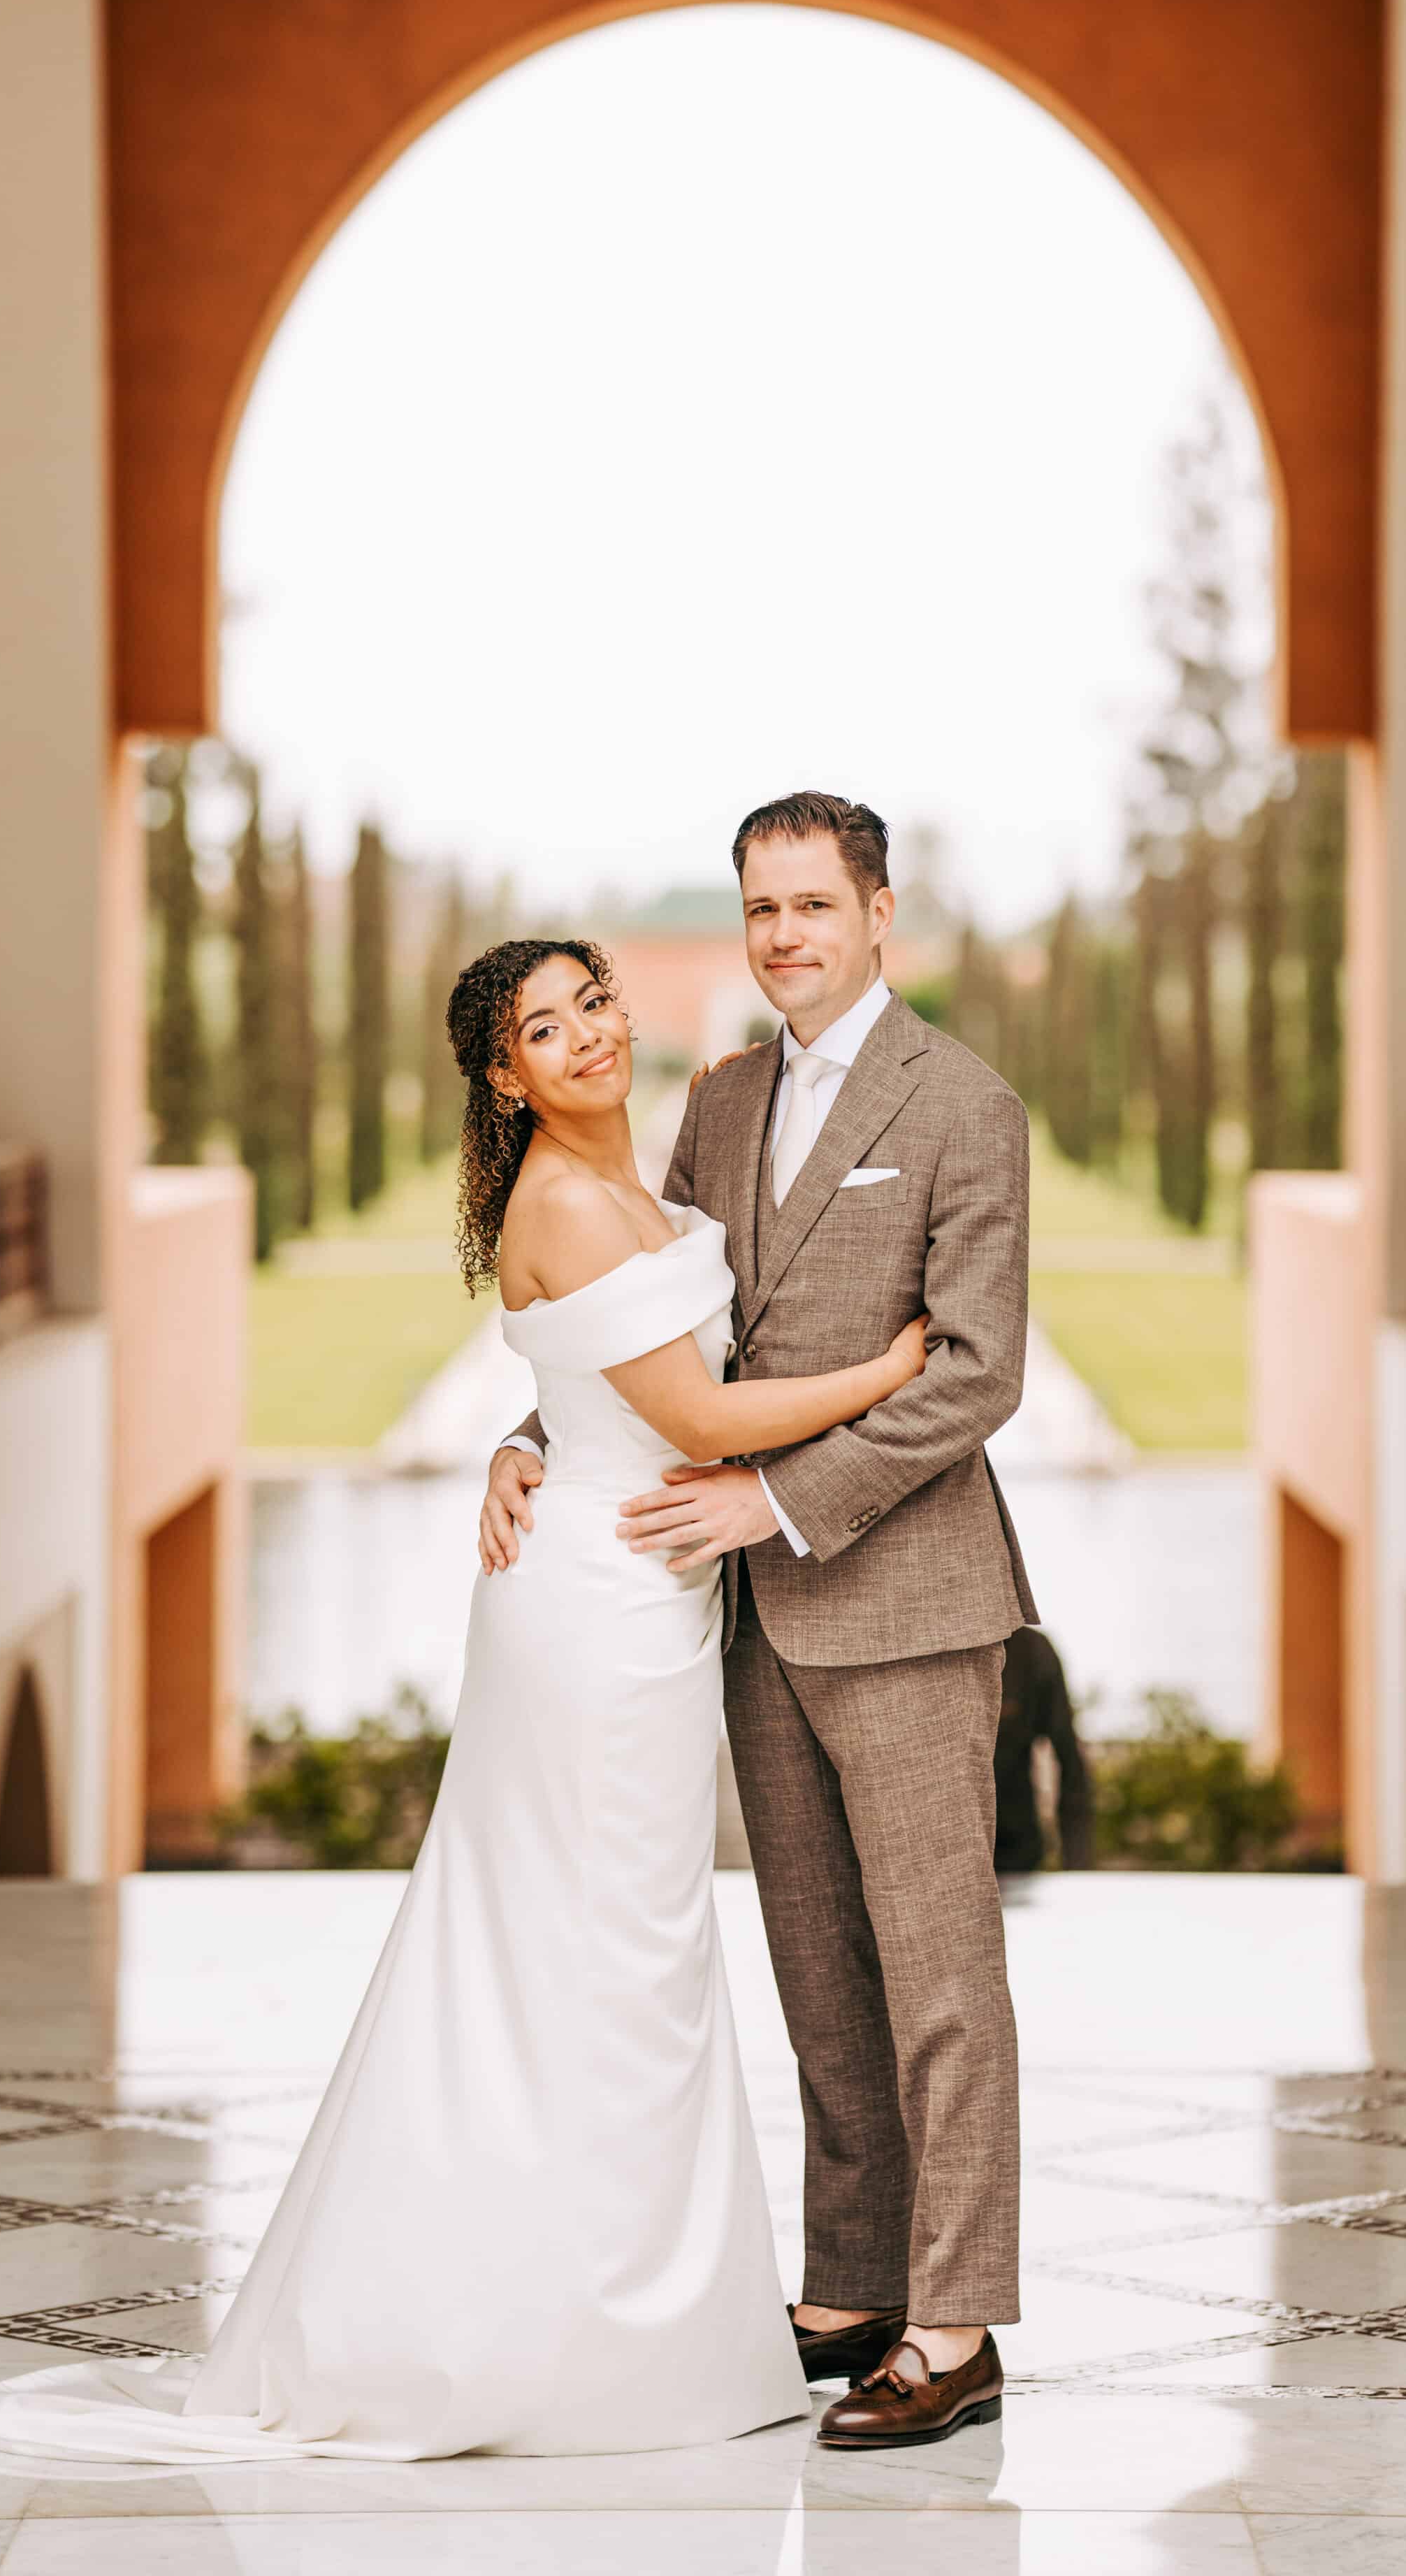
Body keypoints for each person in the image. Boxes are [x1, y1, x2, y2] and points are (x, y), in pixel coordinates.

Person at [0, 933, 931, 2466]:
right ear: (503, 1072)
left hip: (641, 1602)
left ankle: (623, 2315)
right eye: (547, 1027)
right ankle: (578, 2339)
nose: (589, 1034)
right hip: (595, 1625)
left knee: (615, 1953)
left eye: (593, 1001)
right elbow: (700, 1413)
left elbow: (605, 1385)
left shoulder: (634, 1178)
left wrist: (518, 1435)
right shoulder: (557, 1198)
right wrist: (894, 1368)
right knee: (599, 1954)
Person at [484, 793, 1035, 2452]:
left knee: (939, 1972)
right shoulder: (719, 1100)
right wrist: (530, 1442)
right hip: (745, 1621)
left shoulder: (962, 1103)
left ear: (878, 912)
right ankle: (852, 2280)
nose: (784, 933)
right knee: (815, 1961)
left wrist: (775, 1500)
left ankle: (953, 2322)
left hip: (903, 1597)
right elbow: (643, 1332)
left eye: (813, 902)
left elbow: (977, 1366)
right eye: (759, 907)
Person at [994, 1624, 1094, 1874]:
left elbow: (1071, 1762)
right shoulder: (919, 1644)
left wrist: (1077, 1867)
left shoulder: (1031, 1651)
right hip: (930, 1856)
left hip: (1014, 1853)